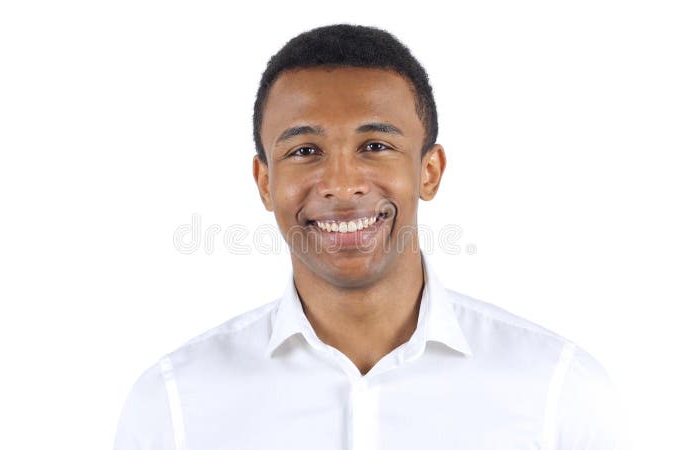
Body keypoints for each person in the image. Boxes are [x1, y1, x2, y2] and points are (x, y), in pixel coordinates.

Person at [114, 23, 626, 450]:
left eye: (375, 145)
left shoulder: (560, 393)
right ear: (265, 182)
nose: (341, 185)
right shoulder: (172, 406)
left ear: (429, 171)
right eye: (304, 151)